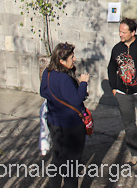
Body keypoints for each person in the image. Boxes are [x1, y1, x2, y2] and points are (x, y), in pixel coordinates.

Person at [40, 42, 90, 188]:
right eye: (72, 57)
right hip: (71, 126)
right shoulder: (64, 79)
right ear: (62, 61)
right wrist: (83, 83)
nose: (74, 59)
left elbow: (43, 92)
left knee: (57, 158)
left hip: (54, 123)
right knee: (71, 164)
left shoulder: (47, 73)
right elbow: (76, 99)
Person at [107, 18, 137, 159]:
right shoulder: (117, 49)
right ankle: (135, 152)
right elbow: (111, 68)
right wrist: (114, 88)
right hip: (123, 93)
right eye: (120, 32)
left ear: (133, 32)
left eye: (124, 32)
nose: (120, 35)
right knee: (129, 125)